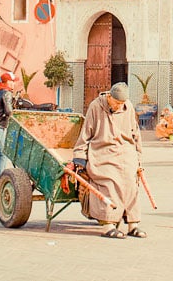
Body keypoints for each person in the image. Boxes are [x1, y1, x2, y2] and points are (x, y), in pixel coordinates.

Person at [72, 82, 146, 239]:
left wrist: (138, 156)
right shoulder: (96, 106)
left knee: (131, 183)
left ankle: (133, 224)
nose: (119, 106)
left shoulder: (128, 107)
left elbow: (135, 133)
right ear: (109, 97)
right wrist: (80, 157)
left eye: (122, 103)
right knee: (110, 181)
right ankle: (108, 225)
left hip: (126, 152)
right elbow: (85, 134)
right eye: (117, 103)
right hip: (102, 153)